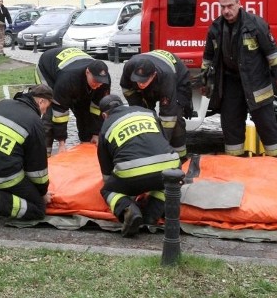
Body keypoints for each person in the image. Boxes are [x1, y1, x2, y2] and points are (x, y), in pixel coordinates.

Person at [201, 0, 277, 158]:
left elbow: (272, 52)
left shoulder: (255, 25)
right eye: (223, 7)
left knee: (267, 125)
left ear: (239, 4)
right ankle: (236, 166)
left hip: (256, 83)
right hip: (230, 84)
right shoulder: (216, 28)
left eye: (230, 6)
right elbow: (208, 58)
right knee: (231, 125)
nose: (226, 11)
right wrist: (205, 82)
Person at [96, 94, 182, 237]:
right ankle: (150, 215)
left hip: (132, 173)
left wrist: (124, 186)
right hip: (170, 165)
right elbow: (162, 140)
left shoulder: (106, 126)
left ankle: (128, 210)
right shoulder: (147, 112)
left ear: (104, 115)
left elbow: (107, 174)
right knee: (169, 184)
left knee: (108, 190)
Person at [0, 84, 54, 224]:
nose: (46, 111)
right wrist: (42, 193)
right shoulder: (34, 122)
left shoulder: (1, 104)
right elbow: (37, 169)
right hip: (3, 175)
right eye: (47, 106)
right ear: (41, 102)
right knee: (38, 209)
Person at [35, 46, 111, 155]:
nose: (98, 84)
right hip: (47, 70)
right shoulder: (68, 79)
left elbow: (97, 108)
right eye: (95, 80)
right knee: (50, 112)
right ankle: (44, 154)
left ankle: (86, 144)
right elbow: (60, 112)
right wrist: (62, 143)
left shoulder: (104, 81)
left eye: (101, 82)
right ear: (87, 72)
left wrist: (95, 133)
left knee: (84, 109)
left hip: (71, 72)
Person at [120, 50, 193, 161]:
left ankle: (180, 156)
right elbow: (126, 88)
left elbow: (168, 116)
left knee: (175, 117)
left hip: (178, 80)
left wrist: (161, 146)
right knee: (142, 113)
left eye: (143, 81)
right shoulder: (129, 67)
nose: (140, 84)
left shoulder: (167, 76)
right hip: (156, 75)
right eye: (137, 80)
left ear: (153, 75)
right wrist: (138, 106)